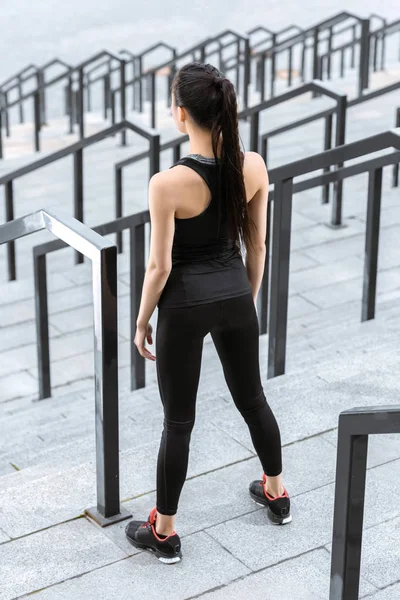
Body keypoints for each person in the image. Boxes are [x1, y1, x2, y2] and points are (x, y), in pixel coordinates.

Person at [125, 61, 291, 564]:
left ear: (181, 115)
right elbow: (256, 245)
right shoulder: (254, 165)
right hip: (236, 296)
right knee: (253, 398)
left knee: (178, 422)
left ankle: (165, 532)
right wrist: (247, 299)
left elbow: (159, 266)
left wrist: (140, 321)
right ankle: (277, 493)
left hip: (185, 306)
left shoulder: (167, 183)